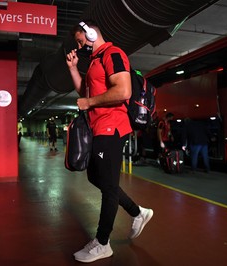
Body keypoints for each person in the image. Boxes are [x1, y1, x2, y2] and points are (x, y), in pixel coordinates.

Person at [66, 20, 153, 263]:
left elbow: (123, 91)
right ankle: (138, 213)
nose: (78, 44)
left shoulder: (113, 54)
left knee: (108, 184)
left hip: (112, 126)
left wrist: (90, 103)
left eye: (79, 38)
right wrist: (73, 69)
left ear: (91, 32)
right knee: (97, 177)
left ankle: (103, 243)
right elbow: (85, 91)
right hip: (99, 127)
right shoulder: (94, 61)